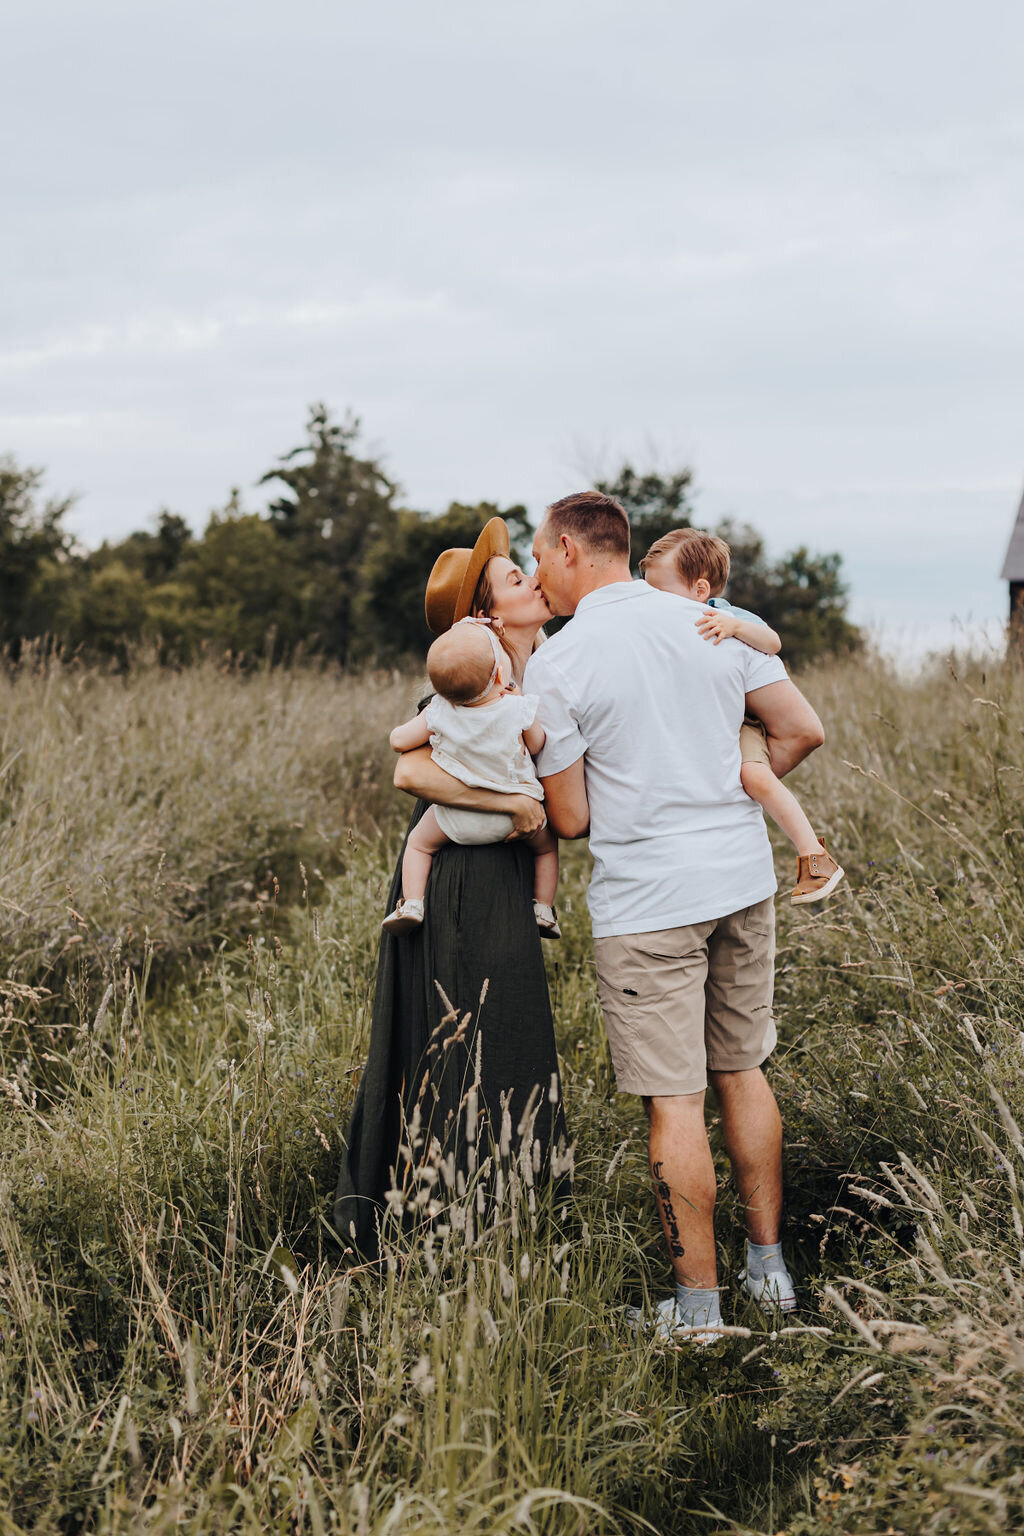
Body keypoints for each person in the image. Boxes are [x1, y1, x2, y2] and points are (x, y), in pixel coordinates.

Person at [525, 490, 825, 1344]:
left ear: (573, 550)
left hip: (648, 902)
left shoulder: (563, 659)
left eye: (541, 554)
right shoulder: (713, 619)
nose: (539, 570)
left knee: (676, 1102)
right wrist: (739, 781)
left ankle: (698, 1314)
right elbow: (800, 729)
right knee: (744, 1069)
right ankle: (770, 1274)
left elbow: (574, 818)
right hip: (739, 879)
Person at [334, 518, 569, 1258]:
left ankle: (511, 1212)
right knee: (463, 1035)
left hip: (501, 866)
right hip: (461, 875)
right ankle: (441, 1221)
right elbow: (409, 772)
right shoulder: (467, 673)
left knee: (509, 1028)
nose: (532, 578)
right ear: (484, 614)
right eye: (512, 577)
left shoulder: (541, 668)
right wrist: (511, 805)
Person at [641, 527, 844, 905]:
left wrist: (735, 627)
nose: (651, 600)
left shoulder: (723, 614)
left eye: (659, 590)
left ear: (700, 591)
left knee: (754, 775)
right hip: (709, 724)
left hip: (742, 722)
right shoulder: (658, 624)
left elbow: (773, 643)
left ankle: (814, 857)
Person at [381, 617, 560, 938]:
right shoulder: (516, 708)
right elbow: (538, 742)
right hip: (518, 818)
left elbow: (398, 741)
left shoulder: (438, 710)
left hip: (456, 819)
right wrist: (519, 701)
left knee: (419, 846)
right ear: (500, 675)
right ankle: (544, 908)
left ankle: (411, 903)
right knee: (546, 850)